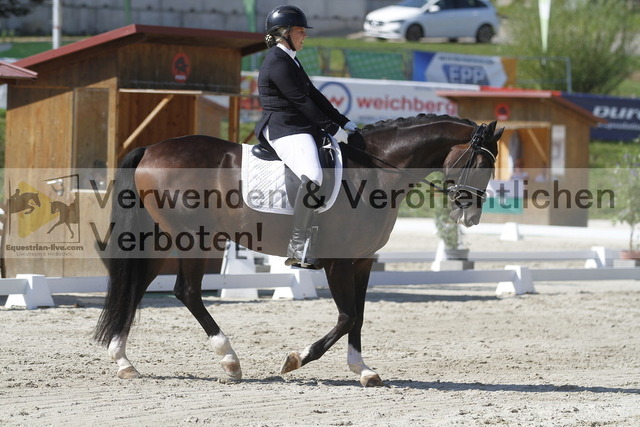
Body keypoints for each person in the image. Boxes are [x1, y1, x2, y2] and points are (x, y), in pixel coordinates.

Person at [255, 5, 357, 268]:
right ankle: (298, 245)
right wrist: (331, 128)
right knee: (313, 176)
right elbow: (301, 101)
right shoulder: (277, 62)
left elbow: (314, 94)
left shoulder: (291, 59)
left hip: (299, 126)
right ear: (284, 33)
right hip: (283, 128)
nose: (305, 35)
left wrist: (343, 121)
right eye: (301, 31)